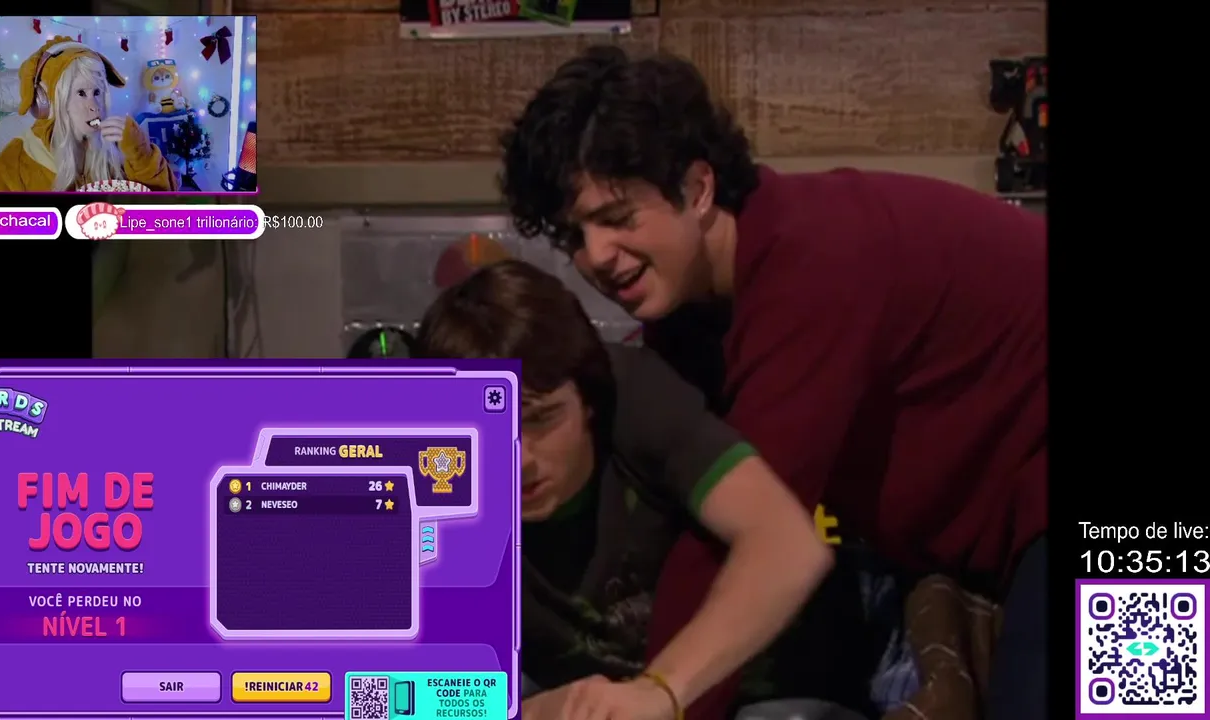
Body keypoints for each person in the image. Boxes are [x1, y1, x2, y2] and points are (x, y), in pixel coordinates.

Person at [497, 45, 1048, 720]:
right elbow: (702, 519)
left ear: (698, 188)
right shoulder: (689, 319)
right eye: (572, 236)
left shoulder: (816, 263)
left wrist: (661, 697)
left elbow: (757, 528)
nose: (597, 256)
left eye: (616, 218)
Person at [415, 260, 856, 720]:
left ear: (587, 401)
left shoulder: (634, 395)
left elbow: (789, 545)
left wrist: (659, 690)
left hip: (749, 689)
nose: (519, 458)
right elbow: (390, 692)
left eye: (541, 420)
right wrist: (541, 710)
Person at [0, 36, 178, 192]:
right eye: (81, 93)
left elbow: (163, 209)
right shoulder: (17, 160)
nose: (94, 106)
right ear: (47, 102)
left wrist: (141, 153)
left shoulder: (120, 146)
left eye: (97, 93)